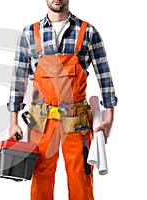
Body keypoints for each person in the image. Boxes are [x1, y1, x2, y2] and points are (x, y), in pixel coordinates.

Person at [7, 0, 117, 199]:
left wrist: (110, 117)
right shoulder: (29, 33)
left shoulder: (88, 32)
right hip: (40, 121)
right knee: (40, 177)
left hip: (77, 121)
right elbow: (18, 78)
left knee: (80, 178)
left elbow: (104, 75)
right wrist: (13, 121)